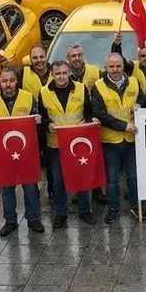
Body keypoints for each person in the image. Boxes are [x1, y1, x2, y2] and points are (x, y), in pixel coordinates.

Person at [0, 68, 45, 237]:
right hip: (3, 153)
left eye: (11, 80)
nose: (8, 84)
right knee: (7, 188)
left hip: (26, 152)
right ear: (0, 82)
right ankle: (10, 220)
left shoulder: (28, 97)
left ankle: (33, 218)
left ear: (16, 81)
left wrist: (39, 121)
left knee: (30, 187)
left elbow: (37, 120)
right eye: (4, 81)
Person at [39, 60, 97, 226]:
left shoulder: (81, 88)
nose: (61, 77)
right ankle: (61, 213)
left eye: (64, 73)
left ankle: (85, 211)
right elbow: (41, 116)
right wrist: (47, 124)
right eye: (58, 74)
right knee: (58, 181)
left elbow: (88, 112)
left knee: (82, 179)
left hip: (78, 144)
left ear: (70, 72)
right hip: (55, 144)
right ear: (52, 75)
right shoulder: (43, 92)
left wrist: (91, 121)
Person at [90, 53, 142, 223]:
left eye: (118, 66)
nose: (115, 70)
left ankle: (136, 206)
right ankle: (113, 208)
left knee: (133, 177)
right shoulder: (98, 86)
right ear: (106, 68)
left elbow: (143, 102)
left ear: (123, 66)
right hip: (110, 141)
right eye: (111, 66)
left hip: (132, 140)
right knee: (111, 180)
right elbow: (100, 114)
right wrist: (123, 126)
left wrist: (139, 106)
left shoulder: (134, 82)